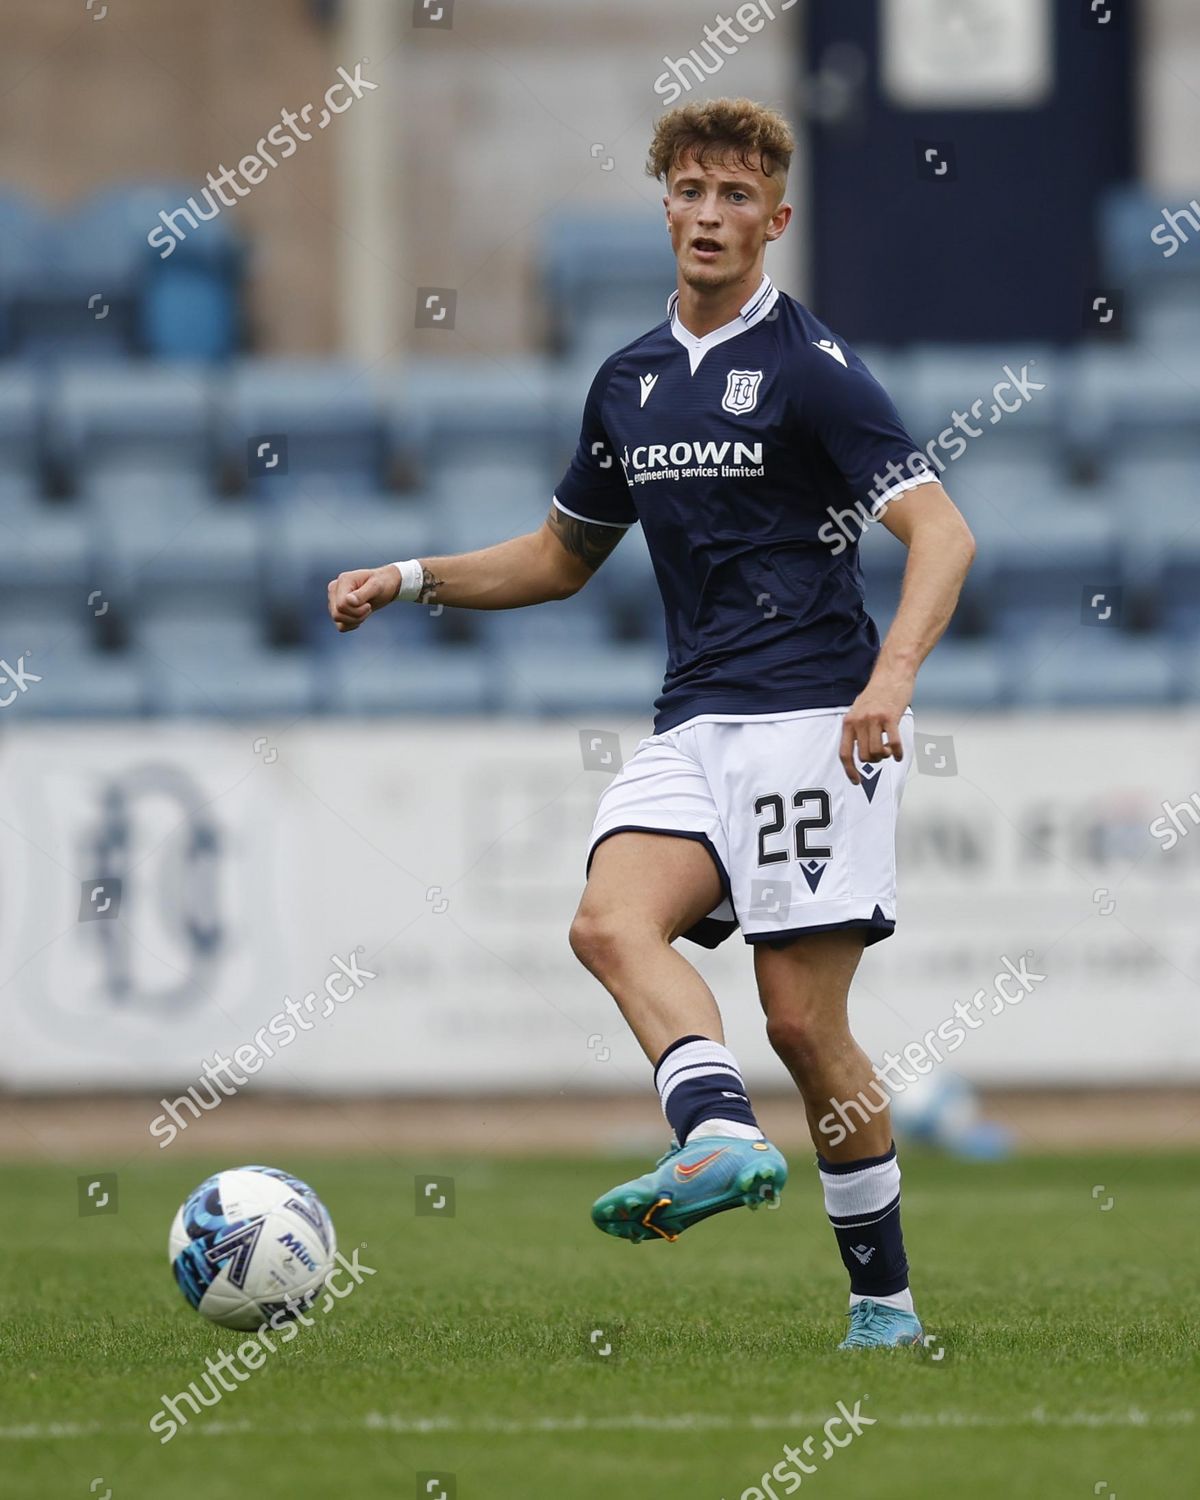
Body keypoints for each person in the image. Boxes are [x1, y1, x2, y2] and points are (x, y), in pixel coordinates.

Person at [328, 97, 975, 1349]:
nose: (711, 215)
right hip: (693, 725)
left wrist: (890, 683)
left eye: (739, 197)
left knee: (800, 1022)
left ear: (775, 221)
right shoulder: (626, 380)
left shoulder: (812, 371)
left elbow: (942, 532)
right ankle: (720, 1136)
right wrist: (406, 577)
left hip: (814, 720)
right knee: (607, 922)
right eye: (691, 190)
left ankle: (884, 1307)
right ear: (666, 205)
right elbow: (562, 557)